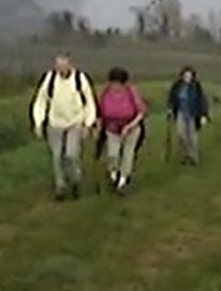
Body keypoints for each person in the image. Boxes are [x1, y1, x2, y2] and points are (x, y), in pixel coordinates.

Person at [30, 54, 97, 200]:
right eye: (58, 66)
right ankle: (60, 186)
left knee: (71, 154)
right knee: (56, 156)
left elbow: (90, 103)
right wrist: (38, 123)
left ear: (70, 65)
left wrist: (88, 124)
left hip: (75, 122)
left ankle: (75, 181)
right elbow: (40, 101)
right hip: (55, 123)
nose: (61, 69)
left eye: (64, 65)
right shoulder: (49, 79)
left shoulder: (80, 79)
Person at [97, 67, 147, 193]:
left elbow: (141, 112)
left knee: (127, 154)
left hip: (132, 128)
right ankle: (113, 175)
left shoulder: (131, 92)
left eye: (117, 83)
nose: (115, 86)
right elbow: (100, 111)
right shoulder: (106, 93)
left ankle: (123, 181)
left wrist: (130, 126)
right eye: (112, 83)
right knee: (112, 155)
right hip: (112, 128)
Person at [167, 66, 209, 165]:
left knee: (192, 137)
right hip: (180, 113)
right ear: (182, 76)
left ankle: (194, 157)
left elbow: (202, 100)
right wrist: (170, 108)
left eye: (189, 76)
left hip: (193, 114)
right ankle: (185, 156)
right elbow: (171, 97)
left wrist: (204, 115)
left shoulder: (196, 86)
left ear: (192, 76)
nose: (187, 77)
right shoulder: (177, 85)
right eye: (185, 75)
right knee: (181, 135)